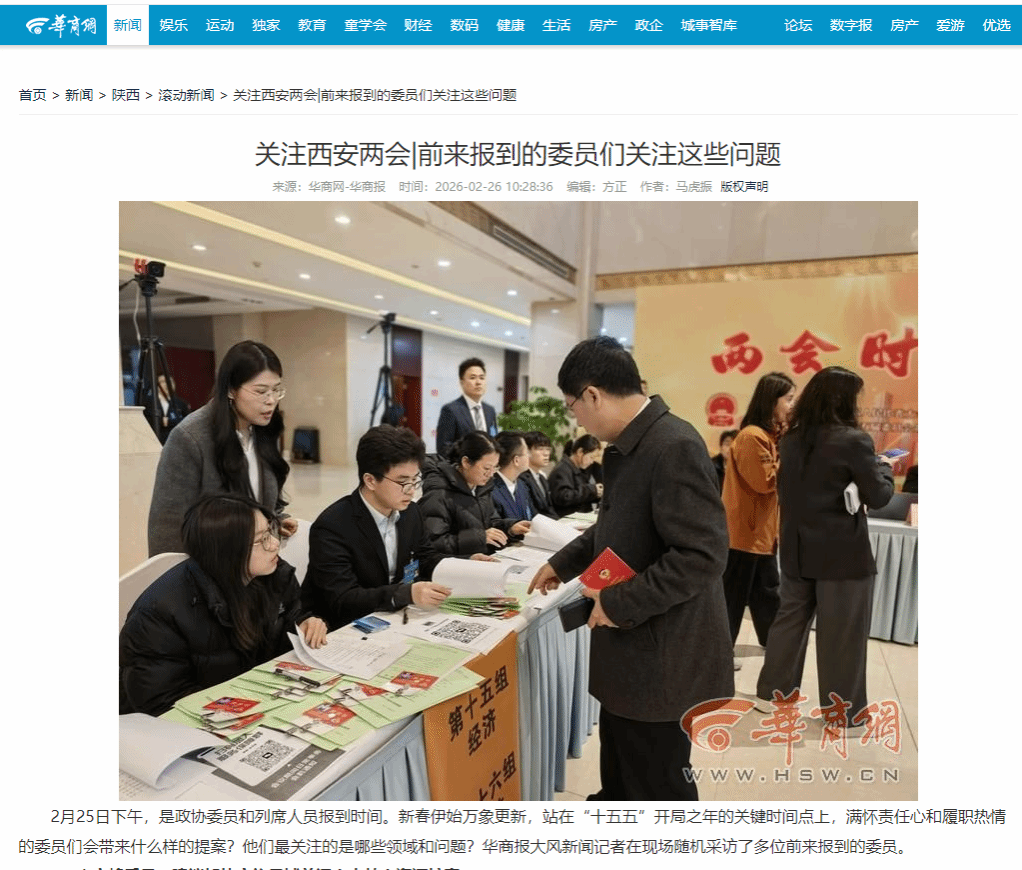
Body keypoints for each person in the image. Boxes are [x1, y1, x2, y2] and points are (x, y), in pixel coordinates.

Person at [528, 337, 733, 800]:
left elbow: (702, 555)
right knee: (622, 776)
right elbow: (616, 525)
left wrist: (619, 602)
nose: (576, 420)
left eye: (573, 407)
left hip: (662, 656)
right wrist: (563, 562)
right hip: (632, 653)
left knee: (657, 785)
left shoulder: (673, 445)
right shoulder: (628, 448)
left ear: (593, 395)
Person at [755, 366, 897, 730]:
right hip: (841, 554)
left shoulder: (792, 438)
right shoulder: (854, 440)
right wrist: (883, 467)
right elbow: (878, 496)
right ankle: (842, 711)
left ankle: (773, 694)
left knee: (789, 623)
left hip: (796, 550)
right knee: (842, 635)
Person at [120, 494, 327, 717]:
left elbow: (289, 618)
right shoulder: (159, 613)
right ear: (226, 551)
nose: (275, 544)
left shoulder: (274, 573)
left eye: (271, 531)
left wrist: (304, 623)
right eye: (262, 540)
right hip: (181, 722)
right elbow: (162, 702)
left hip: (253, 699)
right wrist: (245, 707)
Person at [147, 340, 294, 556]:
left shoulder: (264, 429)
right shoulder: (190, 438)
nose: (271, 401)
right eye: (261, 391)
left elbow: (257, 496)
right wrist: (177, 574)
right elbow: (167, 526)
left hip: (257, 561)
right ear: (231, 390)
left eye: (276, 390)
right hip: (211, 563)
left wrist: (276, 518)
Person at [302, 425, 454, 628]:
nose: (411, 491)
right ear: (370, 480)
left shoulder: (411, 513)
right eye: (403, 482)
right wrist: (405, 594)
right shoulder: (332, 526)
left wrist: (468, 563)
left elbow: (425, 557)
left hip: (394, 617)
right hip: (344, 626)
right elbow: (342, 599)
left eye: (415, 480)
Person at [720, 373, 795, 668]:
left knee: (766, 592)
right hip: (744, 534)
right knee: (733, 597)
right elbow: (765, 482)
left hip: (761, 534)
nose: (792, 405)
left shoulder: (769, 436)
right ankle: (720, 652)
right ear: (771, 401)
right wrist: (789, 454)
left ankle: (774, 642)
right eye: (788, 399)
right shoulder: (752, 437)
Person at [420, 431, 530, 556]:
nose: (491, 474)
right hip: (457, 563)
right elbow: (433, 542)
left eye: (495, 468)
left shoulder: (482, 487)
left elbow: (490, 522)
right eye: (486, 468)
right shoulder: (439, 491)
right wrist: (479, 538)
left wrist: (510, 528)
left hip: (483, 558)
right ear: (466, 462)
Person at [435, 357, 499, 457]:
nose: (478, 382)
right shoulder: (451, 410)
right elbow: (444, 448)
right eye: (473, 378)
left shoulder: (490, 411)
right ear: (462, 382)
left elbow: (493, 439)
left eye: (482, 378)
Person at [548, 434, 603, 517]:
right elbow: (564, 497)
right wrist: (591, 490)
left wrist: (596, 493)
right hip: (564, 519)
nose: (592, 462)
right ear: (580, 452)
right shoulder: (562, 470)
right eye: (591, 457)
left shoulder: (577, 469)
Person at [490, 431, 536, 522]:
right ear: (516, 460)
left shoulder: (522, 485)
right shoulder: (490, 490)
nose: (530, 456)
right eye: (527, 452)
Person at [141, 373, 190, 445]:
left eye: (170, 381)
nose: (167, 384)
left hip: (175, 442)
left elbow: (187, 421)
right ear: (156, 385)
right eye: (163, 381)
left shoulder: (181, 403)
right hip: (154, 441)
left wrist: (170, 421)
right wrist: (160, 421)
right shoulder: (148, 402)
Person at [520, 430, 558, 518]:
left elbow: (549, 508)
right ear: (527, 451)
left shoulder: (542, 478)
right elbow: (533, 512)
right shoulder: (522, 478)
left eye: (548, 449)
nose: (546, 454)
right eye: (540, 449)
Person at [711, 429, 739, 494]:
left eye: (735, 445)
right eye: (727, 444)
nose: (730, 448)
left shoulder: (745, 468)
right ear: (721, 447)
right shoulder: (711, 466)